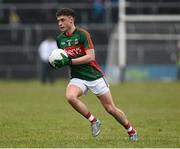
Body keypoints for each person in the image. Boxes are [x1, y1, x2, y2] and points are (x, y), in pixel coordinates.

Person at [50, 8, 138, 141]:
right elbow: (64, 58)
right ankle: (93, 121)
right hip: (78, 77)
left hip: (94, 76)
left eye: (62, 20)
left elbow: (90, 57)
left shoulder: (82, 34)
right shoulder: (60, 39)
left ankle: (131, 130)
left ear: (71, 20)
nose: (60, 23)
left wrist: (69, 61)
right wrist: (57, 62)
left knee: (110, 109)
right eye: (58, 21)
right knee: (70, 97)